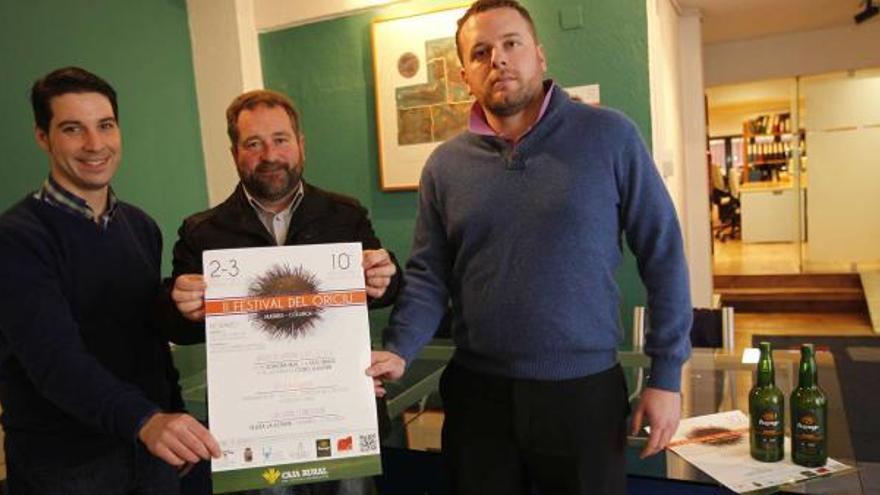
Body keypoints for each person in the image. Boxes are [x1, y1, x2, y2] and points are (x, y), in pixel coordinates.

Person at [367, 1, 693, 494]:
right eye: (480, 52)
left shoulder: (610, 136)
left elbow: (663, 254)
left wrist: (666, 376)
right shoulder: (443, 167)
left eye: (510, 43)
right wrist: (399, 350)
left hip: (583, 396)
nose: (497, 59)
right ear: (464, 76)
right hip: (479, 400)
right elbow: (429, 275)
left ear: (539, 56)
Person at [165, 89, 401, 495]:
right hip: (256, 427)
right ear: (234, 152)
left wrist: (386, 277)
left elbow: (388, 287)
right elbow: (180, 328)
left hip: (339, 417)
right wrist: (180, 305)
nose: (269, 154)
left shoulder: (346, 215)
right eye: (253, 143)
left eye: (280, 139)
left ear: (300, 144)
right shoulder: (202, 232)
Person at [0, 66, 220, 495]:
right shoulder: (16, 239)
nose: (95, 144)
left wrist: (169, 415)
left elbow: (150, 344)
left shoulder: (140, 226)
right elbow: (54, 362)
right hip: (67, 467)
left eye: (105, 126)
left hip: (151, 453)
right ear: (43, 137)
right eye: (72, 129)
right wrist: (147, 420)